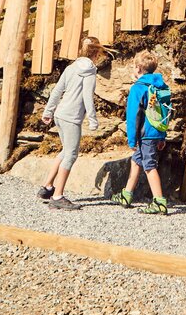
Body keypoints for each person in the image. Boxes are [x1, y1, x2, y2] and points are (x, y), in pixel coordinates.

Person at [37, 36, 103, 210]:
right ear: (96, 53)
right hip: (72, 117)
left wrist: (48, 111)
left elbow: (57, 91)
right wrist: (93, 119)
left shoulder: (71, 67)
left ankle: (47, 187)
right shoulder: (91, 70)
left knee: (65, 151)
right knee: (71, 155)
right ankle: (58, 196)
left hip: (60, 114)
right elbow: (87, 96)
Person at [114, 50, 171, 215]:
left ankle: (159, 202)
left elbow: (133, 116)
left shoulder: (138, 88)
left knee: (149, 166)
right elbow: (166, 113)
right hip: (156, 131)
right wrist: (162, 136)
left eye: (133, 66)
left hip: (145, 134)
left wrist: (131, 140)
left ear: (138, 68)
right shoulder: (161, 86)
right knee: (136, 160)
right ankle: (127, 194)